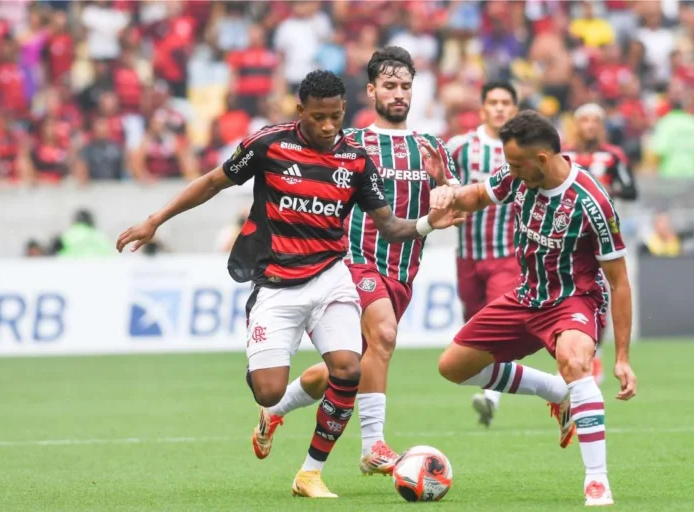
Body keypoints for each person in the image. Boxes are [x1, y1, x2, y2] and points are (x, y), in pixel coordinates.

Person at [116, 70, 462, 499]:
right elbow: (212, 182)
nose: (328, 126)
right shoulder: (268, 145)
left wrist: (428, 223)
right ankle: (273, 408)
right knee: (269, 390)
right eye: (318, 117)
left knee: (349, 369)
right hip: (277, 283)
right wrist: (155, 220)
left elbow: (389, 226)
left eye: (335, 116)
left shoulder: (355, 160)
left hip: (332, 277)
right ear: (301, 110)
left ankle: (310, 473)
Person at [249, 46, 460, 477]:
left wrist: (447, 186)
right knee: (384, 334)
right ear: (371, 91)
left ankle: (275, 410)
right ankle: (373, 445)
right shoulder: (350, 142)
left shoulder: (431, 146)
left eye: (405, 86)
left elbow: (455, 204)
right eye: (390, 85)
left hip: (402, 271)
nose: (399, 93)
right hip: (353, 262)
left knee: (345, 369)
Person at [430, 110, 637, 506]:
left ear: (541, 158)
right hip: (525, 295)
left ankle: (597, 481)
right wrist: (449, 194)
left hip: (572, 300)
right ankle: (556, 392)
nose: (510, 172)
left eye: (515, 165)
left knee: (575, 362)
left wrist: (623, 357)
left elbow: (619, 281)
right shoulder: (518, 175)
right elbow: (478, 195)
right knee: (452, 367)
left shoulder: (592, 202)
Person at [446, 81, 522, 427]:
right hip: (468, 255)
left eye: (506, 102)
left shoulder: (522, 149)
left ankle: (491, 397)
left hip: (507, 255)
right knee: (474, 328)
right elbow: (440, 182)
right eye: (494, 102)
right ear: (482, 109)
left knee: (498, 325)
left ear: (515, 110)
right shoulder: (461, 147)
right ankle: (493, 388)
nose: (500, 108)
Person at [564, 102, 638, 384]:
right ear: (577, 124)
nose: (591, 126)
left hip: (602, 234)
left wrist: (606, 190)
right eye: (585, 120)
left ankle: (595, 356)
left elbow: (631, 190)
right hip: (568, 235)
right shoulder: (564, 154)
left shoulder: (613, 155)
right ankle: (571, 355)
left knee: (603, 294)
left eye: (596, 120)